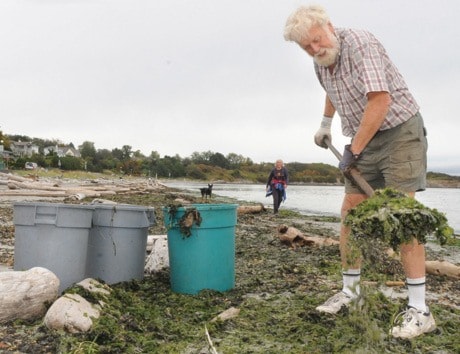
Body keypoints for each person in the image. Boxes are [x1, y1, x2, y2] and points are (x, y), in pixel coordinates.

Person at [284, 5, 433, 339]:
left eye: (317, 40)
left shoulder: (360, 43)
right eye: (307, 47)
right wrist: (326, 123)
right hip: (363, 136)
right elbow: (332, 88)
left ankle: (420, 309)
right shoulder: (320, 60)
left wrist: (354, 149)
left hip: (399, 133)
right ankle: (351, 293)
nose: (315, 49)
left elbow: (379, 100)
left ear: (329, 26)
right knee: (351, 211)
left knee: (402, 216)